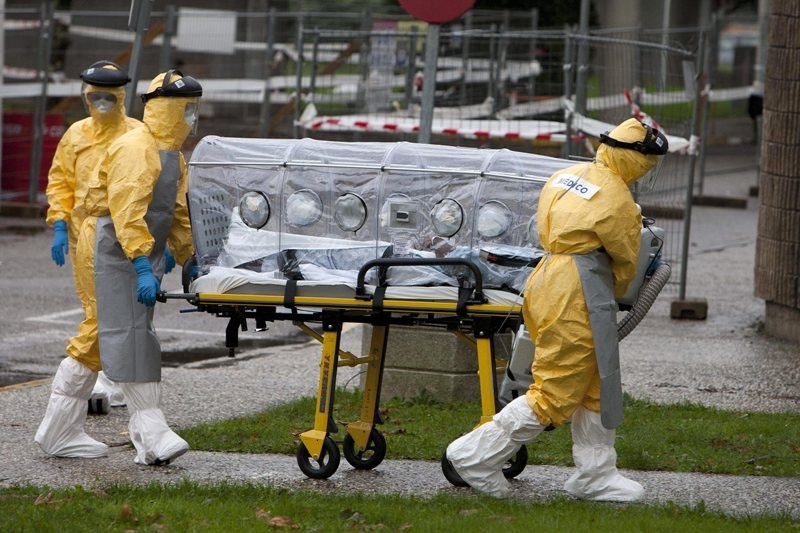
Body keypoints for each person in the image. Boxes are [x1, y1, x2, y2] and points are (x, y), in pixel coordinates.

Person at [446, 118, 668, 501]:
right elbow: (626, 263)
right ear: (637, 159)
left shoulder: (566, 175)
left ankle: (596, 475)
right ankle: (475, 457)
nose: (648, 172)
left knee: (596, 384)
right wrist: (614, 291)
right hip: (578, 291)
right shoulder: (618, 199)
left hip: (547, 276)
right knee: (554, 391)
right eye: (649, 164)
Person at [69, 69, 201, 466]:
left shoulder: (172, 155)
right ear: (168, 109)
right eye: (186, 109)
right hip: (110, 248)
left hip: (132, 251)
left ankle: (58, 430)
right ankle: (153, 434)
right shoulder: (137, 147)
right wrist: (142, 264)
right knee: (129, 333)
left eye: (194, 108)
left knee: (99, 336)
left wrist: (190, 257)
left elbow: (178, 213)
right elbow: (125, 212)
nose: (191, 117)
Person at [36, 61, 142, 458]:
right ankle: (71, 419)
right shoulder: (76, 135)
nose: (101, 102)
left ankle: (109, 392)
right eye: (95, 95)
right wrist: (59, 223)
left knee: (120, 316)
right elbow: (60, 181)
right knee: (98, 312)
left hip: (123, 236)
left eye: (108, 95)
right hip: (83, 237)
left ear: (120, 96)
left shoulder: (135, 134)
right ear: (86, 95)